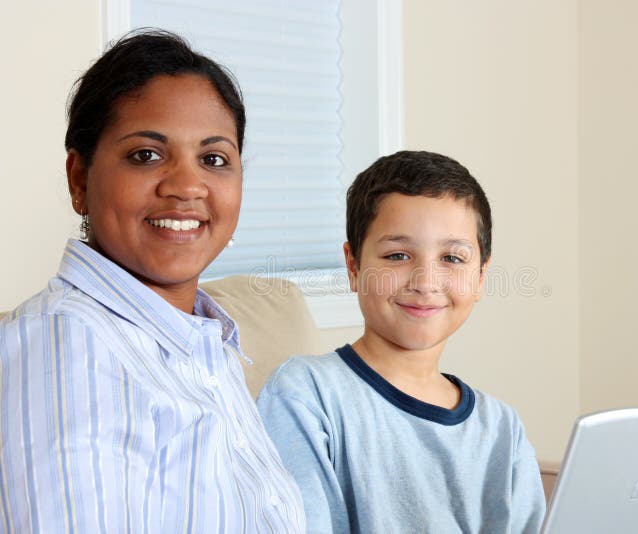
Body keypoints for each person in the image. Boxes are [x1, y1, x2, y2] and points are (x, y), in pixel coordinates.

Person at [0, 30, 305, 532]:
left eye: (213, 159)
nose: (187, 185)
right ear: (80, 179)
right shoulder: (66, 348)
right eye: (146, 154)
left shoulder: (205, 343)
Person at [257, 150, 546, 533]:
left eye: (453, 259)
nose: (425, 282)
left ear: (480, 277)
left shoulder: (501, 429)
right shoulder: (305, 395)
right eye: (397, 255)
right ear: (354, 267)